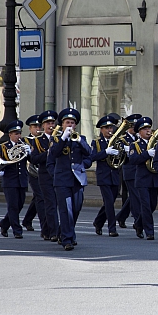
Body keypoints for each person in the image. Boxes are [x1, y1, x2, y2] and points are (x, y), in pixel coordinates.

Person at [47, 108, 92, 251]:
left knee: (76, 209)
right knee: (66, 210)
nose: (70, 125)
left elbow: (89, 153)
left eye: (72, 123)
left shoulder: (81, 139)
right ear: (62, 124)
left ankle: (65, 233)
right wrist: (63, 138)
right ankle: (67, 239)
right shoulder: (56, 139)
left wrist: (78, 140)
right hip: (62, 179)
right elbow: (53, 154)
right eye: (67, 122)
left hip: (78, 179)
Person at [132, 117, 158, 242]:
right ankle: (149, 231)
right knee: (146, 206)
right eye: (145, 129)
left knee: (152, 205)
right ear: (139, 132)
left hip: (154, 178)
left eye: (149, 128)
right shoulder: (135, 145)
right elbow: (133, 160)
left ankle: (138, 224)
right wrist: (147, 154)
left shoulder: (157, 143)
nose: (148, 131)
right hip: (142, 179)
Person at [0, 120, 31, 239]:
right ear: (10, 134)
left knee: (19, 205)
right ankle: (17, 230)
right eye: (15, 134)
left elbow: (32, 160)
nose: (18, 136)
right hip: (9, 180)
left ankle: (4, 224)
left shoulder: (24, 145)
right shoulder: (3, 147)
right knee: (13, 206)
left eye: (19, 133)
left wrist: (30, 152)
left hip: (21, 179)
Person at [90, 114, 123, 237]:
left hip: (114, 175)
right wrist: (105, 152)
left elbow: (121, 158)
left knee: (110, 201)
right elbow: (92, 157)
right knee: (109, 202)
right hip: (103, 176)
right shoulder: (97, 143)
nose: (110, 130)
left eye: (111, 127)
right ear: (101, 130)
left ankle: (98, 222)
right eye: (107, 128)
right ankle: (112, 228)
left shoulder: (117, 141)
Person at [30, 110, 58, 241]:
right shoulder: (37, 141)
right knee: (50, 203)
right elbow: (34, 159)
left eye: (52, 122)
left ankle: (46, 229)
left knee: (57, 204)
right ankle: (53, 232)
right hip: (45, 175)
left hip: (59, 174)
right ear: (43, 126)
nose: (50, 125)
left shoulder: (60, 138)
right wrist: (48, 154)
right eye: (47, 123)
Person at [116, 114, 142, 229]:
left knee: (133, 196)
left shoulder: (139, 138)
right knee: (135, 196)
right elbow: (121, 155)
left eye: (135, 126)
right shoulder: (122, 139)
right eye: (131, 126)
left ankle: (121, 216)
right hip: (130, 171)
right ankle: (137, 220)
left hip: (140, 171)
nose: (133, 128)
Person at [21, 115, 45, 234]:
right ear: (30, 128)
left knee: (37, 197)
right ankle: (44, 226)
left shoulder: (44, 139)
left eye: (39, 126)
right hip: (32, 172)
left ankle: (27, 220)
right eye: (35, 126)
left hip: (45, 173)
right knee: (41, 197)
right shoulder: (25, 141)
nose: (38, 128)